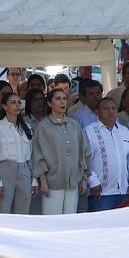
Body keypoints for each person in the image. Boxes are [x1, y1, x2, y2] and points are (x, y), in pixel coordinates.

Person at [32, 87, 91, 215]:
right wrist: (43, 180)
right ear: (49, 103)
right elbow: (38, 155)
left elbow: (84, 152)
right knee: (52, 220)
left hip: (73, 181)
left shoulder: (74, 125)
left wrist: (84, 178)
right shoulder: (43, 127)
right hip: (53, 182)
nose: (62, 102)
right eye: (58, 99)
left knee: (70, 220)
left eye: (64, 98)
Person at [0, 90, 35, 213]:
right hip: (6, 170)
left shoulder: (26, 127)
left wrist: (34, 179)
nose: (17, 105)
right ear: (4, 106)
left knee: (23, 212)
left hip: (24, 170)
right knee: (3, 210)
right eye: (13, 102)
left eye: (19, 102)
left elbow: (31, 156)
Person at [85, 97, 129, 211]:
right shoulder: (89, 131)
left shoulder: (124, 131)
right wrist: (93, 182)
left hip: (124, 192)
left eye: (113, 108)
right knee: (101, 223)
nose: (110, 111)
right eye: (106, 108)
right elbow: (85, 160)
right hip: (100, 193)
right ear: (97, 112)